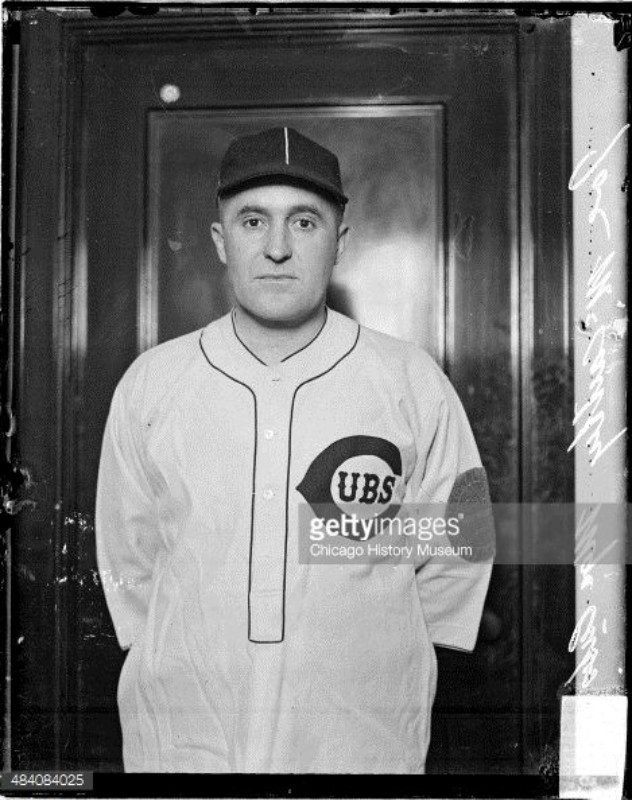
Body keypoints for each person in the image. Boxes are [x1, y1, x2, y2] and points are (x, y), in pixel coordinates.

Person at [96, 126, 495, 774]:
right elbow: (129, 557)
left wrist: (370, 651)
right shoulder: (153, 382)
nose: (277, 247)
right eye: (253, 221)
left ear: (340, 242)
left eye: (304, 222)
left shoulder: (407, 379)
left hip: (359, 743)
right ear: (221, 241)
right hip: (183, 740)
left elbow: (459, 546)